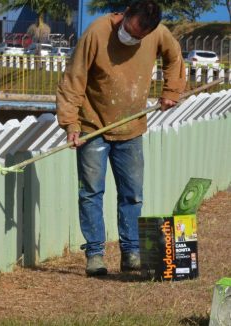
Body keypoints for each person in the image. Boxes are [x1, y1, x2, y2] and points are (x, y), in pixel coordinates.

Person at [56, 0, 186, 276]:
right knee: (91, 192)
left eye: (139, 37)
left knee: (132, 194)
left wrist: (171, 91)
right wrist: (70, 123)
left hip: (132, 127)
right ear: (125, 14)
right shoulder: (97, 32)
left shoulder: (158, 34)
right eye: (129, 30)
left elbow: (174, 58)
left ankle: (132, 252)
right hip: (94, 126)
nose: (131, 38)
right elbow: (74, 78)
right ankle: (95, 255)